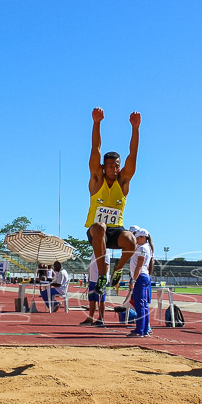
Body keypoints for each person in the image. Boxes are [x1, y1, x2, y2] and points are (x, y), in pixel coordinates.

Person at [85, 107, 141, 293]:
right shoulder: (96, 180)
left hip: (116, 230)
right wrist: (97, 123)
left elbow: (132, 155)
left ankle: (118, 269)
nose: (114, 169)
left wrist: (135, 129)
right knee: (100, 226)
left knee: (131, 239)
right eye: (110, 166)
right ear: (103, 167)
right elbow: (96, 149)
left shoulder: (123, 182)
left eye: (116, 166)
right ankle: (103, 275)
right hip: (97, 232)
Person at [126, 227, 154, 337]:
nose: (136, 240)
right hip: (143, 276)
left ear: (143, 237)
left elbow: (139, 265)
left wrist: (133, 279)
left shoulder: (143, 248)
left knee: (140, 305)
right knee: (143, 305)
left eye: (137, 238)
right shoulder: (145, 247)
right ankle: (144, 329)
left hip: (140, 277)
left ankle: (140, 330)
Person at [81, 249, 111, 327]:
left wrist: (102, 277)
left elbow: (106, 264)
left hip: (100, 279)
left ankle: (101, 319)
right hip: (92, 279)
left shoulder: (105, 251)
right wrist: (90, 276)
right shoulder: (95, 251)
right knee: (92, 299)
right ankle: (90, 318)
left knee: (100, 300)